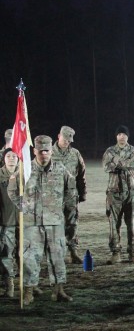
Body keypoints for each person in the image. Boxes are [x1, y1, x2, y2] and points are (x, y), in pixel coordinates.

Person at [8, 136, 77, 305]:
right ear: (34, 151)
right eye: (40, 151)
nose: (44, 154)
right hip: (32, 223)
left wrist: (64, 210)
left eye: (47, 151)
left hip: (55, 221)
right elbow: (12, 189)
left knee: (57, 256)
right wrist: (24, 207)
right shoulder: (25, 169)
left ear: (51, 151)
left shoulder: (60, 169)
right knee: (30, 258)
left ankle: (58, 290)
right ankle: (29, 291)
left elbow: (71, 190)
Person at [102, 125, 134, 264]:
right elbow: (106, 167)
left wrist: (116, 162)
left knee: (133, 224)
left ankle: (133, 253)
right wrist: (125, 163)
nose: (122, 136)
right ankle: (115, 253)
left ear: (127, 136)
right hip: (114, 192)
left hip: (132, 192)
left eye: (124, 134)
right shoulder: (109, 150)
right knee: (114, 224)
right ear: (116, 136)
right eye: (119, 134)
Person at [51, 126, 87, 264]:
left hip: (71, 195)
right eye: (65, 139)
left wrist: (82, 193)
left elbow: (81, 175)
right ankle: (57, 254)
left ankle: (73, 252)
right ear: (58, 135)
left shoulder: (75, 154)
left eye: (69, 140)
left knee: (72, 224)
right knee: (55, 224)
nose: (67, 142)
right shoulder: (49, 152)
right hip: (53, 195)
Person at [0, 150, 19, 297]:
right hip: (6, 222)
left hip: (25, 222)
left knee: (26, 254)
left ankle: (29, 285)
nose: (11, 159)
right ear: (3, 159)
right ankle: (9, 285)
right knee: (6, 254)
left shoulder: (26, 175)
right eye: (8, 156)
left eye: (14, 156)